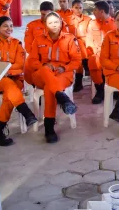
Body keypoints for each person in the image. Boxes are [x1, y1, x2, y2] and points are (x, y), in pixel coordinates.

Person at [0, 16, 37, 146]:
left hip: (15, 79)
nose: (10, 28)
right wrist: (4, 72)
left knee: (10, 94)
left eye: (11, 26)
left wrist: (7, 71)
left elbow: (19, 65)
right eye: (6, 26)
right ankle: (26, 112)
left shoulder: (17, 43)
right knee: (8, 84)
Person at [26, 12, 80, 143]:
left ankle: (49, 128)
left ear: (61, 22)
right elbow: (32, 60)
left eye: (56, 22)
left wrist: (65, 68)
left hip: (63, 73)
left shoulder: (70, 38)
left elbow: (77, 60)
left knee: (50, 88)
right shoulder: (38, 39)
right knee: (46, 72)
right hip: (41, 73)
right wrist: (45, 67)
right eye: (50, 23)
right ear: (45, 24)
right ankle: (62, 97)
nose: (53, 25)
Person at [86, 1, 117, 104]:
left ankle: (114, 87)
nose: (93, 12)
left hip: (111, 54)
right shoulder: (92, 23)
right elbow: (89, 41)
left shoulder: (115, 24)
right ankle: (100, 90)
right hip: (97, 53)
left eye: (95, 10)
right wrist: (95, 52)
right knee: (93, 60)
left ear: (102, 11)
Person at [24, 1, 54, 85]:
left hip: (54, 58)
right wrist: (39, 60)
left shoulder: (59, 25)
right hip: (36, 58)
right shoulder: (32, 25)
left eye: (47, 15)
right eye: (43, 14)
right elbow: (28, 46)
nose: (45, 17)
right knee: (28, 66)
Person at [68, 0, 92, 91]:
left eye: (80, 8)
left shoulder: (88, 19)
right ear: (72, 8)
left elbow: (91, 34)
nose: (78, 10)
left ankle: (79, 81)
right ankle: (84, 65)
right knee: (78, 46)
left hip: (86, 44)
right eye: (76, 8)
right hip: (71, 44)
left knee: (81, 46)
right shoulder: (67, 20)